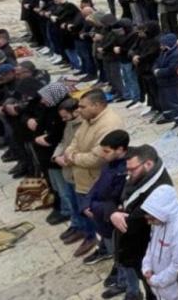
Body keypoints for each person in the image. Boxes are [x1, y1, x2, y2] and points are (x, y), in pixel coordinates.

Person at [61, 88, 124, 258]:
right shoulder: (88, 119)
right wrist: (70, 152)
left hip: (96, 182)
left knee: (102, 222)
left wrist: (72, 157)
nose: (79, 110)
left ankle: (110, 252)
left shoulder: (109, 125)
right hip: (82, 177)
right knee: (90, 217)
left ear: (96, 105)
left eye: (83, 106)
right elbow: (74, 141)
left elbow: (97, 158)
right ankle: (100, 244)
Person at [111, 145, 174, 300]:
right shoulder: (140, 177)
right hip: (139, 252)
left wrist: (115, 215)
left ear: (148, 164)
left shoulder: (159, 189)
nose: (129, 173)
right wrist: (115, 211)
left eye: (132, 169)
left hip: (148, 253)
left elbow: (132, 222)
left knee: (153, 292)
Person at [83, 129, 130, 269]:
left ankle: (120, 273)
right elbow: (98, 184)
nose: (102, 155)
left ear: (120, 149)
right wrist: (86, 203)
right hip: (100, 214)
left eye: (106, 151)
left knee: (118, 254)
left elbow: (115, 200)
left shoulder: (125, 170)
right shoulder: (110, 163)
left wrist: (92, 207)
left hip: (110, 218)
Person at [141, 184, 178, 300]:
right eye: (147, 219)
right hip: (160, 291)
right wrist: (147, 266)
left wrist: (155, 280)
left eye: (151, 219)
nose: (149, 222)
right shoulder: (158, 221)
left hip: (175, 293)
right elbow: (151, 246)